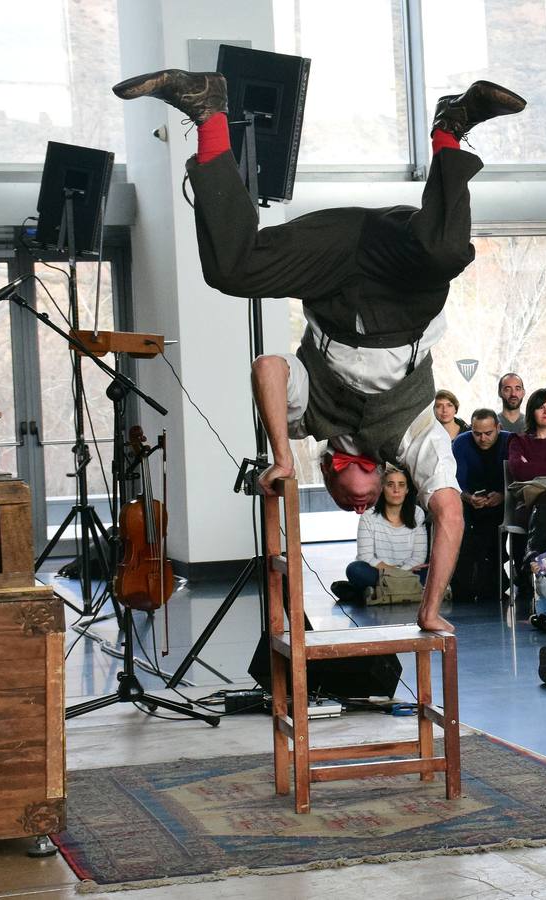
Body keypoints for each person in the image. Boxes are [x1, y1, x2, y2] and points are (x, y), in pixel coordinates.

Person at [115, 69, 524, 635]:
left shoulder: (306, 419)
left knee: (234, 270)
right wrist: (429, 611)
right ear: (380, 480)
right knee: (448, 251)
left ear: (328, 475)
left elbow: (269, 367)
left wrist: (283, 455)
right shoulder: (413, 439)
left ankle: (207, 111)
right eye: (362, 507)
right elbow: (450, 515)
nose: (358, 507)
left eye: (346, 506)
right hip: (399, 281)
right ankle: (450, 129)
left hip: (329, 269)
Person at [332, 466, 427, 603]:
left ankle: (370, 592)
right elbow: (365, 556)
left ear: (407, 489)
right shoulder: (368, 515)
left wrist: (400, 571)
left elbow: (419, 557)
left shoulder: (417, 513)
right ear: (382, 488)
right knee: (355, 570)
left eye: (401, 485)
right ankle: (404, 590)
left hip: (409, 572)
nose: (396, 490)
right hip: (381, 572)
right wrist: (395, 571)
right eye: (390, 485)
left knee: (434, 571)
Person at [451, 408, 508, 603]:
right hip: (468, 502)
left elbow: (517, 478)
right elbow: (455, 480)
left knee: (490, 532)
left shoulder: (510, 441)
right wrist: (468, 497)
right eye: (477, 433)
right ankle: (467, 586)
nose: (482, 438)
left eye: (488, 433)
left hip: (503, 503)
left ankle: (491, 583)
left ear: (498, 428)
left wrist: (502, 496)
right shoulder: (461, 442)